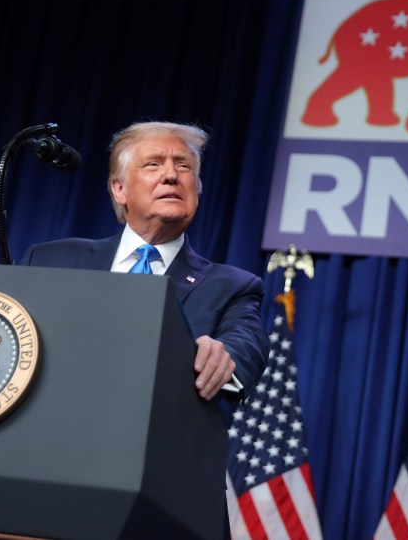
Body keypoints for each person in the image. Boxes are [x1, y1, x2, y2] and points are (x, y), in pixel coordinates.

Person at [18, 121, 269, 400]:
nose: (171, 175)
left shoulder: (233, 286)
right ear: (119, 190)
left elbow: (246, 344)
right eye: (153, 164)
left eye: (184, 166)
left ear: (197, 190)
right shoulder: (49, 261)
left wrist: (225, 357)